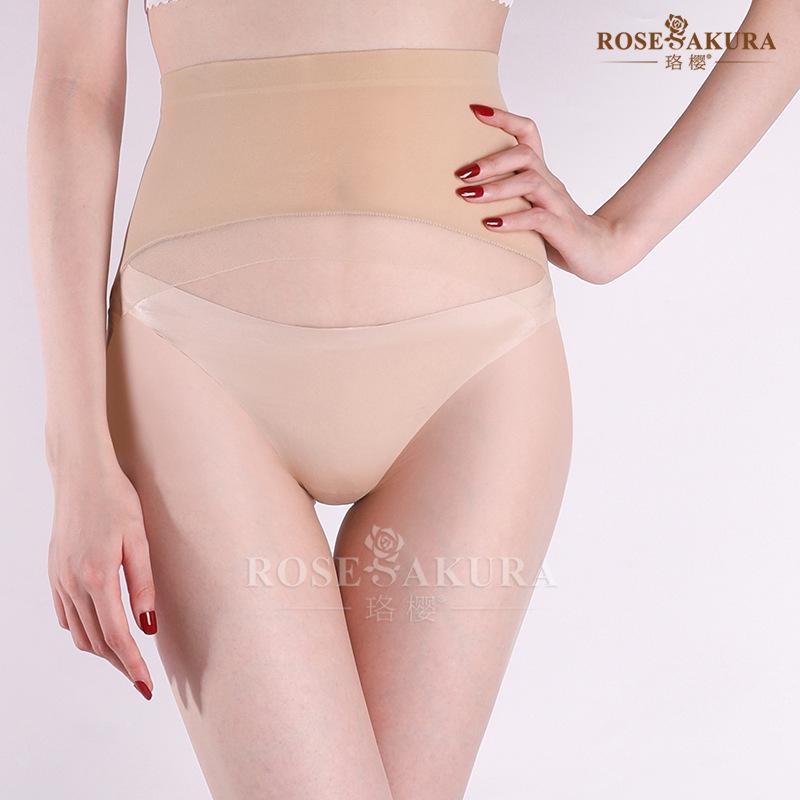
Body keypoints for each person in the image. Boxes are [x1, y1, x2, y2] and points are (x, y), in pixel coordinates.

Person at [26, 1, 798, 798]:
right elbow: (74, 87)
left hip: (477, 374)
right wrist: (74, 454)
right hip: (192, 364)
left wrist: (623, 232)